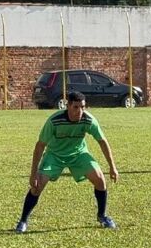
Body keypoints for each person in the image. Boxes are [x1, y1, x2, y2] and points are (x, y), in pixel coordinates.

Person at [14, 91, 119, 233]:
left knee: (100, 179)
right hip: (54, 155)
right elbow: (40, 146)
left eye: (83, 107)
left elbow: (102, 141)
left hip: (78, 154)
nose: (80, 111)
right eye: (76, 107)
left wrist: (112, 167)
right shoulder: (54, 121)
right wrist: (33, 174)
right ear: (67, 106)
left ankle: (102, 216)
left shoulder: (88, 120)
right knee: (37, 186)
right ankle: (23, 221)